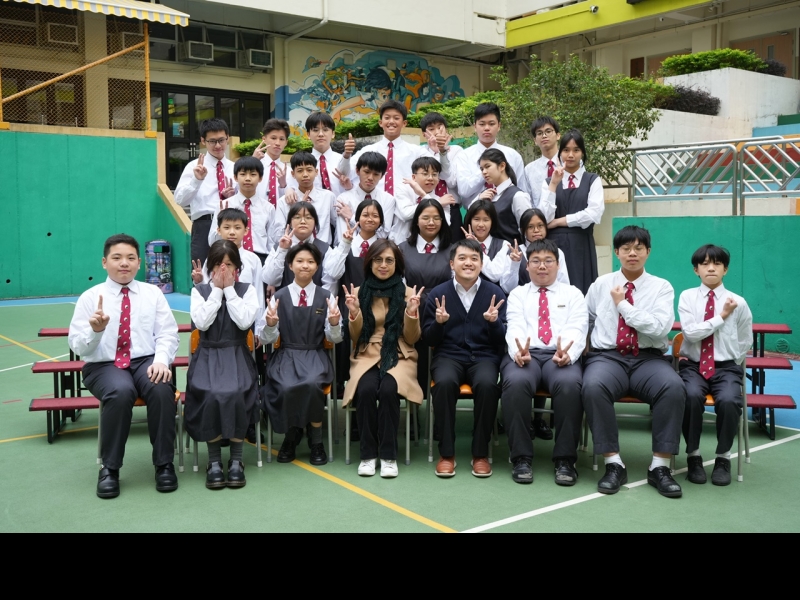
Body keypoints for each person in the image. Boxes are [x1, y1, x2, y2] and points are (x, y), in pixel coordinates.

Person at [68, 234, 180, 499]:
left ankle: (164, 464)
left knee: (161, 388)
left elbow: (167, 333)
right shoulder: (90, 297)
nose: (124, 263)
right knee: (120, 391)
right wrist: (95, 331)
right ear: (104, 262)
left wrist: (161, 360)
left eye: (130, 258)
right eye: (117, 258)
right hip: (103, 364)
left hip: (145, 360)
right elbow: (78, 346)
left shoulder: (152, 294)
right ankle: (110, 468)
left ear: (139, 263)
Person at [583, 225, 686, 498]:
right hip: (608, 357)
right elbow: (586, 318)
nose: (632, 253)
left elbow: (659, 328)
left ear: (648, 252)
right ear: (617, 252)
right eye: (626, 248)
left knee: (673, 387)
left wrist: (623, 305)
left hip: (648, 359)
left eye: (638, 248)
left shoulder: (661, 287)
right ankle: (613, 464)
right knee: (593, 386)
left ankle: (659, 466)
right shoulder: (600, 284)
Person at [501, 239, 587, 485]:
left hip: (558, 355)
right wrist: (518, 350)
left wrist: (568, 353)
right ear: (527, 266)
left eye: (548, 261)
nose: (542, 266)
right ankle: (521, 457)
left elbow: (578, 327)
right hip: (526, 354)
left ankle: (565, 460)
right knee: (515, 382)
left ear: (558, 265)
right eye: (536, 261)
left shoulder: (573, 294)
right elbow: (515, 325)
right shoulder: (518, 294)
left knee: (570, 384)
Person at [422, 239, 507, 478]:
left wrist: (494, 323)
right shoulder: (438, 294)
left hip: (484, 356)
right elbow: (428, 338)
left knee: (488, 385)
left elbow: (502, 339)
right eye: (462, 258)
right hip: (448, 355)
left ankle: (480, 454)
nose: (468, 263)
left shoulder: (495, 293)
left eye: (474, 258)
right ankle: (446, 454)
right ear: (452, 264)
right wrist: (439, 324)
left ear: (481, 263)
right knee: (444, 383)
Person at [341, 239, 425, 478]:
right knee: (366, 389)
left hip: (399, 353)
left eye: (389, 260)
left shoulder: (408, 294)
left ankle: (388, 456)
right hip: (366, 353)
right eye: (378, 260)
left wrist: (411, 313)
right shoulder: (358, 293)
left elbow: (412, 338)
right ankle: (368, 455)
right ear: (370, 263)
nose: (383, 265)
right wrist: (354, 313)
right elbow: (356, 337)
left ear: (397, 264)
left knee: (389, 390)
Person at [261, 242, 343, 465]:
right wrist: (270, 325)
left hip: (315, 354)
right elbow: (266, 339)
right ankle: (291, 435)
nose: (305, 266)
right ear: (290, 265)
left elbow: (336, 339)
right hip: (286, 355)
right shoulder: (278, 297)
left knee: (313, 384)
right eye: (299, 261)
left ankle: (316, 441)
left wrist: (334, 323)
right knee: (285, 386)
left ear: (317, 266)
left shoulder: (327, 296)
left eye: (310, 261)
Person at [186, 240, 259, 489]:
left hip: (237, 353)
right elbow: (202, 323)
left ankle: (237, 460)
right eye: (218, 264)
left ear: (237, 267)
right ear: (210, 267)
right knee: (210, 393)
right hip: (208, 355)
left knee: (237, 392)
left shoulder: (247, 290)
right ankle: (214, 461)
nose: (223, 269)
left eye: (228, 264)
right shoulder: (200, 291)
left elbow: (244, 322)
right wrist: (217, 291)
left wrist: (229, 291)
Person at [679, 244, 752, 487]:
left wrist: (730, 360)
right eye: (705, 264)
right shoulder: (687, 297)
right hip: (693, 366)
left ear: (725, 269)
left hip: (726, 367)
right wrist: (721, 317)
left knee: (730, 400)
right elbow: (690, 334)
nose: (711, 268)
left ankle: (723, 458)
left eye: (717, 264)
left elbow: (745, 340)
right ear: (696, 270)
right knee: (690, 397)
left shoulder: (738, 302)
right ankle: (693, 456)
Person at [327, 199, 386, 388]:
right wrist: (345, 244)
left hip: (378, 305)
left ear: (381, 220)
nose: (370, 219)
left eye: (375, 215)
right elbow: (333, 273)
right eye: (365, 215)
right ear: (357, 218)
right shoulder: (345, 242)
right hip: (349, 304)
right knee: (345, 345)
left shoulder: (385, 247)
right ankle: (343, 388)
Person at [398, 198, 454, 392]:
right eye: (426, 218)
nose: (431, 222)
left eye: (436, 218)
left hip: (444, 311)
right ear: (416, 221)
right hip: (411, 309)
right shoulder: (402, 249)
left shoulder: (453, 250)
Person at [541, 129, 603, 295]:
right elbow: (544, 217)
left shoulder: (592, 180)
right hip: (554, 246)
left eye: (576, 150)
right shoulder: (549, 182)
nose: (570, 155)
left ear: (582, 153)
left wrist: (559, 221)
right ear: (560, 153)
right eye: (566, 150)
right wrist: (553, 185)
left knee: (583, 291)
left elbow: (594, 214)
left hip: (581, 245)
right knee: (555, 292)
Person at [193, 208, 266, 338]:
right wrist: (199, 281)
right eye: (226, 227)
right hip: (214, 321)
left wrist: (259, 329)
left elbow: (259, 293)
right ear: (218, 230)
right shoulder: (211, 258)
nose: (232, 232)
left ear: (246, 231)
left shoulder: (253, 259)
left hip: (244, 317)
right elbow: (206, 289)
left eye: (237, 227)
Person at [174, 118, 235, 265]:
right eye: (212, 141)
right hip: (204, 225)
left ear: (227, 138)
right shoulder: (193, 167)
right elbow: (180, 200)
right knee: (201, 271)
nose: (218, 145)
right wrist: (196, 180)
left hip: (231, 224)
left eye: (221, 140)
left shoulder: (235, 168)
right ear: (203, 141)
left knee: (232, 269)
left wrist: (233, 197)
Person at [338, 100, 427, 192]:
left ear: (404, 123)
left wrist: (437, 149)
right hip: (373, 200)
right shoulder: (367, 151)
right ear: (380, 122)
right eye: (387, 118)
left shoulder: (417, 152)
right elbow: (344, 174)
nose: (391, 121)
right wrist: (347, 155)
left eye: (396, 118)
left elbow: (434, 172)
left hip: (406, 200)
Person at [453, 102, 530, 201]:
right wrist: (487, 170)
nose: (487, 128)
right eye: (482, 124)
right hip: (475, 209)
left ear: (499, 126)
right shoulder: (464, 156)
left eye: (491, 124)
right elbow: (463, 191)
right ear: (475, 127)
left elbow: (521, 189)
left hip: (508, 209)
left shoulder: (513, 155)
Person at [207, 156, 274, 264]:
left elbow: (271, 241)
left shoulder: (268, 208)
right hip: (230, 257)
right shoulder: (224, 205)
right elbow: (212, 241)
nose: (247, 178)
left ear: (260, 178)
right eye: (243, 174)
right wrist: (223, 219)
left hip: (260, 258)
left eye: (253, 174)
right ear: (235, 177)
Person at [262, 202, 338, 293]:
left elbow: (330, 284)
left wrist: (319, 300)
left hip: (318, 301)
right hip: (284, 300)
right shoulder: (278, 247)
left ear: (315, 222)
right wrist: (282, 250)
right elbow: (270, 280)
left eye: (308, 217)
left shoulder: (325, 249)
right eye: (297, 217)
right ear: (290, 222)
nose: (303, 221)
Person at [419, 111, 465, 242]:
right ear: (424, 134)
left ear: (446, 129)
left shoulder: (457, 151)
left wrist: (442, 152)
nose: (436, 132)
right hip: (428, 208)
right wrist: (435, 152)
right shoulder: (420, 152)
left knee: (454, 247)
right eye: (431, 129)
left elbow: (451, 181)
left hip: (452, 207)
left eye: (440, 127)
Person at [273, 152, 335, 245]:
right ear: (293, 174)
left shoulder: (328, 197)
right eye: (300, 171)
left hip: (323, 250)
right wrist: (298, 209)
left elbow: (338, 225)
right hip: (295, 249)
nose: (305, 174)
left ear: (316, 172)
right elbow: (278, 236)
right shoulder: (283, 202)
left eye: (309, 170)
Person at [333, 151, 395, 244]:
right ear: (357, 171)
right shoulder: (344, 199)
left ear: (382, 176)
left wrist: (352, 218)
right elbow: (344, 236)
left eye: (376, 174)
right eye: (367, 172)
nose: (370, 177)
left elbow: (383, 234)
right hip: (348, 250)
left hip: (376, 250)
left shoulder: (388, 200)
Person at [471, 148, 531, 244]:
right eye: (482, 169)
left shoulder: (518, 196)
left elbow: (528, 231)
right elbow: (470, 217)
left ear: (502, 166)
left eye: (487, 166)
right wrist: (479, 199)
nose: (484, 172)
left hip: (512, 251)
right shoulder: (486, 195)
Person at [394, 156, 458, 245]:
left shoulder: (443, 200)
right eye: (425, 174)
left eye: (434, 174)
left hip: (430, 246)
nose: (430, 178)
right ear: (414, 177)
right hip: (401, 243)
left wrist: (423, 195)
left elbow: (445, 224)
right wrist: (437, 203)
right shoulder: (403, 189)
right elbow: (405, 214)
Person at [287, 111, 347, 198]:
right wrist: (289, 190)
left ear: (333, 134)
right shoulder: (301, 164)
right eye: (315, 130)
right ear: (308, 134)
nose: (321, 134)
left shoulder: (343, 161)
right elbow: (292, 187)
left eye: (325, 130)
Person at [461, 199, 515, 287]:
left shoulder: (504, 245)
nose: (481, 224)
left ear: (492, 222)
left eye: (486, 220)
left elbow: (495, 275)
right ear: (470, 221)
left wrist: (476, 247)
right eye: (476, 219)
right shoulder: (460, 247)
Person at [524, 116, 561, 209]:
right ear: (535, 140)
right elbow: (528, 201)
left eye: (548, 131)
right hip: (541, 217)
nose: (544, 136)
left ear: (558, 135)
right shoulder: (529, 170)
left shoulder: (570, 163)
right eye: (539, 133)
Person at [253, 118, 290, 207]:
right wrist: (252, 162)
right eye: (273, 138)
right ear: (264, 139)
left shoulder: (289, 171)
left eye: (282, 139)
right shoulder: (254, 165)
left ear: (286, 142)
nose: (277, 143)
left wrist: (284, 186)